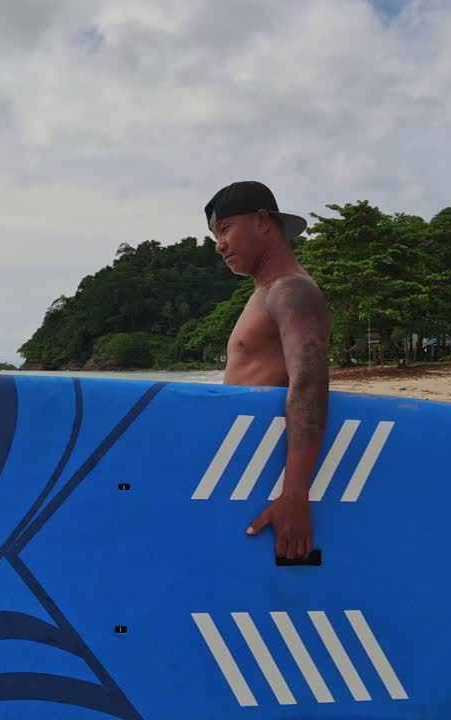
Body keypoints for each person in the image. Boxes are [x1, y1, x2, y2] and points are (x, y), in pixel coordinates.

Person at [204, 180, 331, 562]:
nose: (218, 245)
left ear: (262, 221)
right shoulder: (265, 293)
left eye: (225, 228)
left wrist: (295, 494)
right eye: (214, 234)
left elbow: (308, 382)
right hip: (240, 466)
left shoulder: (291, 290)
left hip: (266, 475)